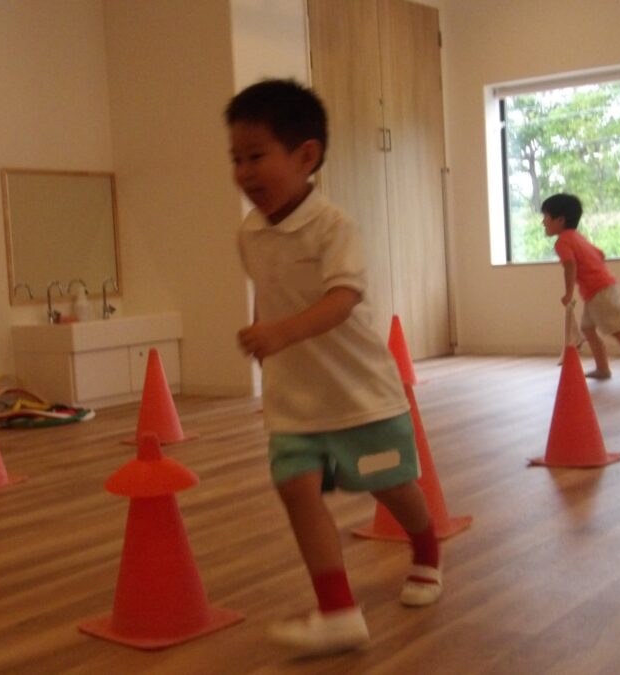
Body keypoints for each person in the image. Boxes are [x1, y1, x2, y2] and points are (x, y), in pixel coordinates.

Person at [225, 79, 441, 656]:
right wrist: (264, 332)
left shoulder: (333, 226)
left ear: (306, 156)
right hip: (295, 401)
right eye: (236, 159)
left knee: (391, 487)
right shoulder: (250, 234)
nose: (244, 172)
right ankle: (338, 610)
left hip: (359, 394)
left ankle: (427, 548)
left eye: (256, 156)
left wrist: (280, 333)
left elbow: (342, 299)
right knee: (295, 489)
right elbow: (271, 291)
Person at [541, 193, 620, 382]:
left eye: (545, 217)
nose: (543, 222)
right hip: (600, 290)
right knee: (587, 328)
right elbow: (600, 254)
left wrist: (568, 293)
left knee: (616, 329)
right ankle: (602, 368)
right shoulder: (576, 237)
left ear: (560, 220)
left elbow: (570, 266)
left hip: (600, 291)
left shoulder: (562, 242)